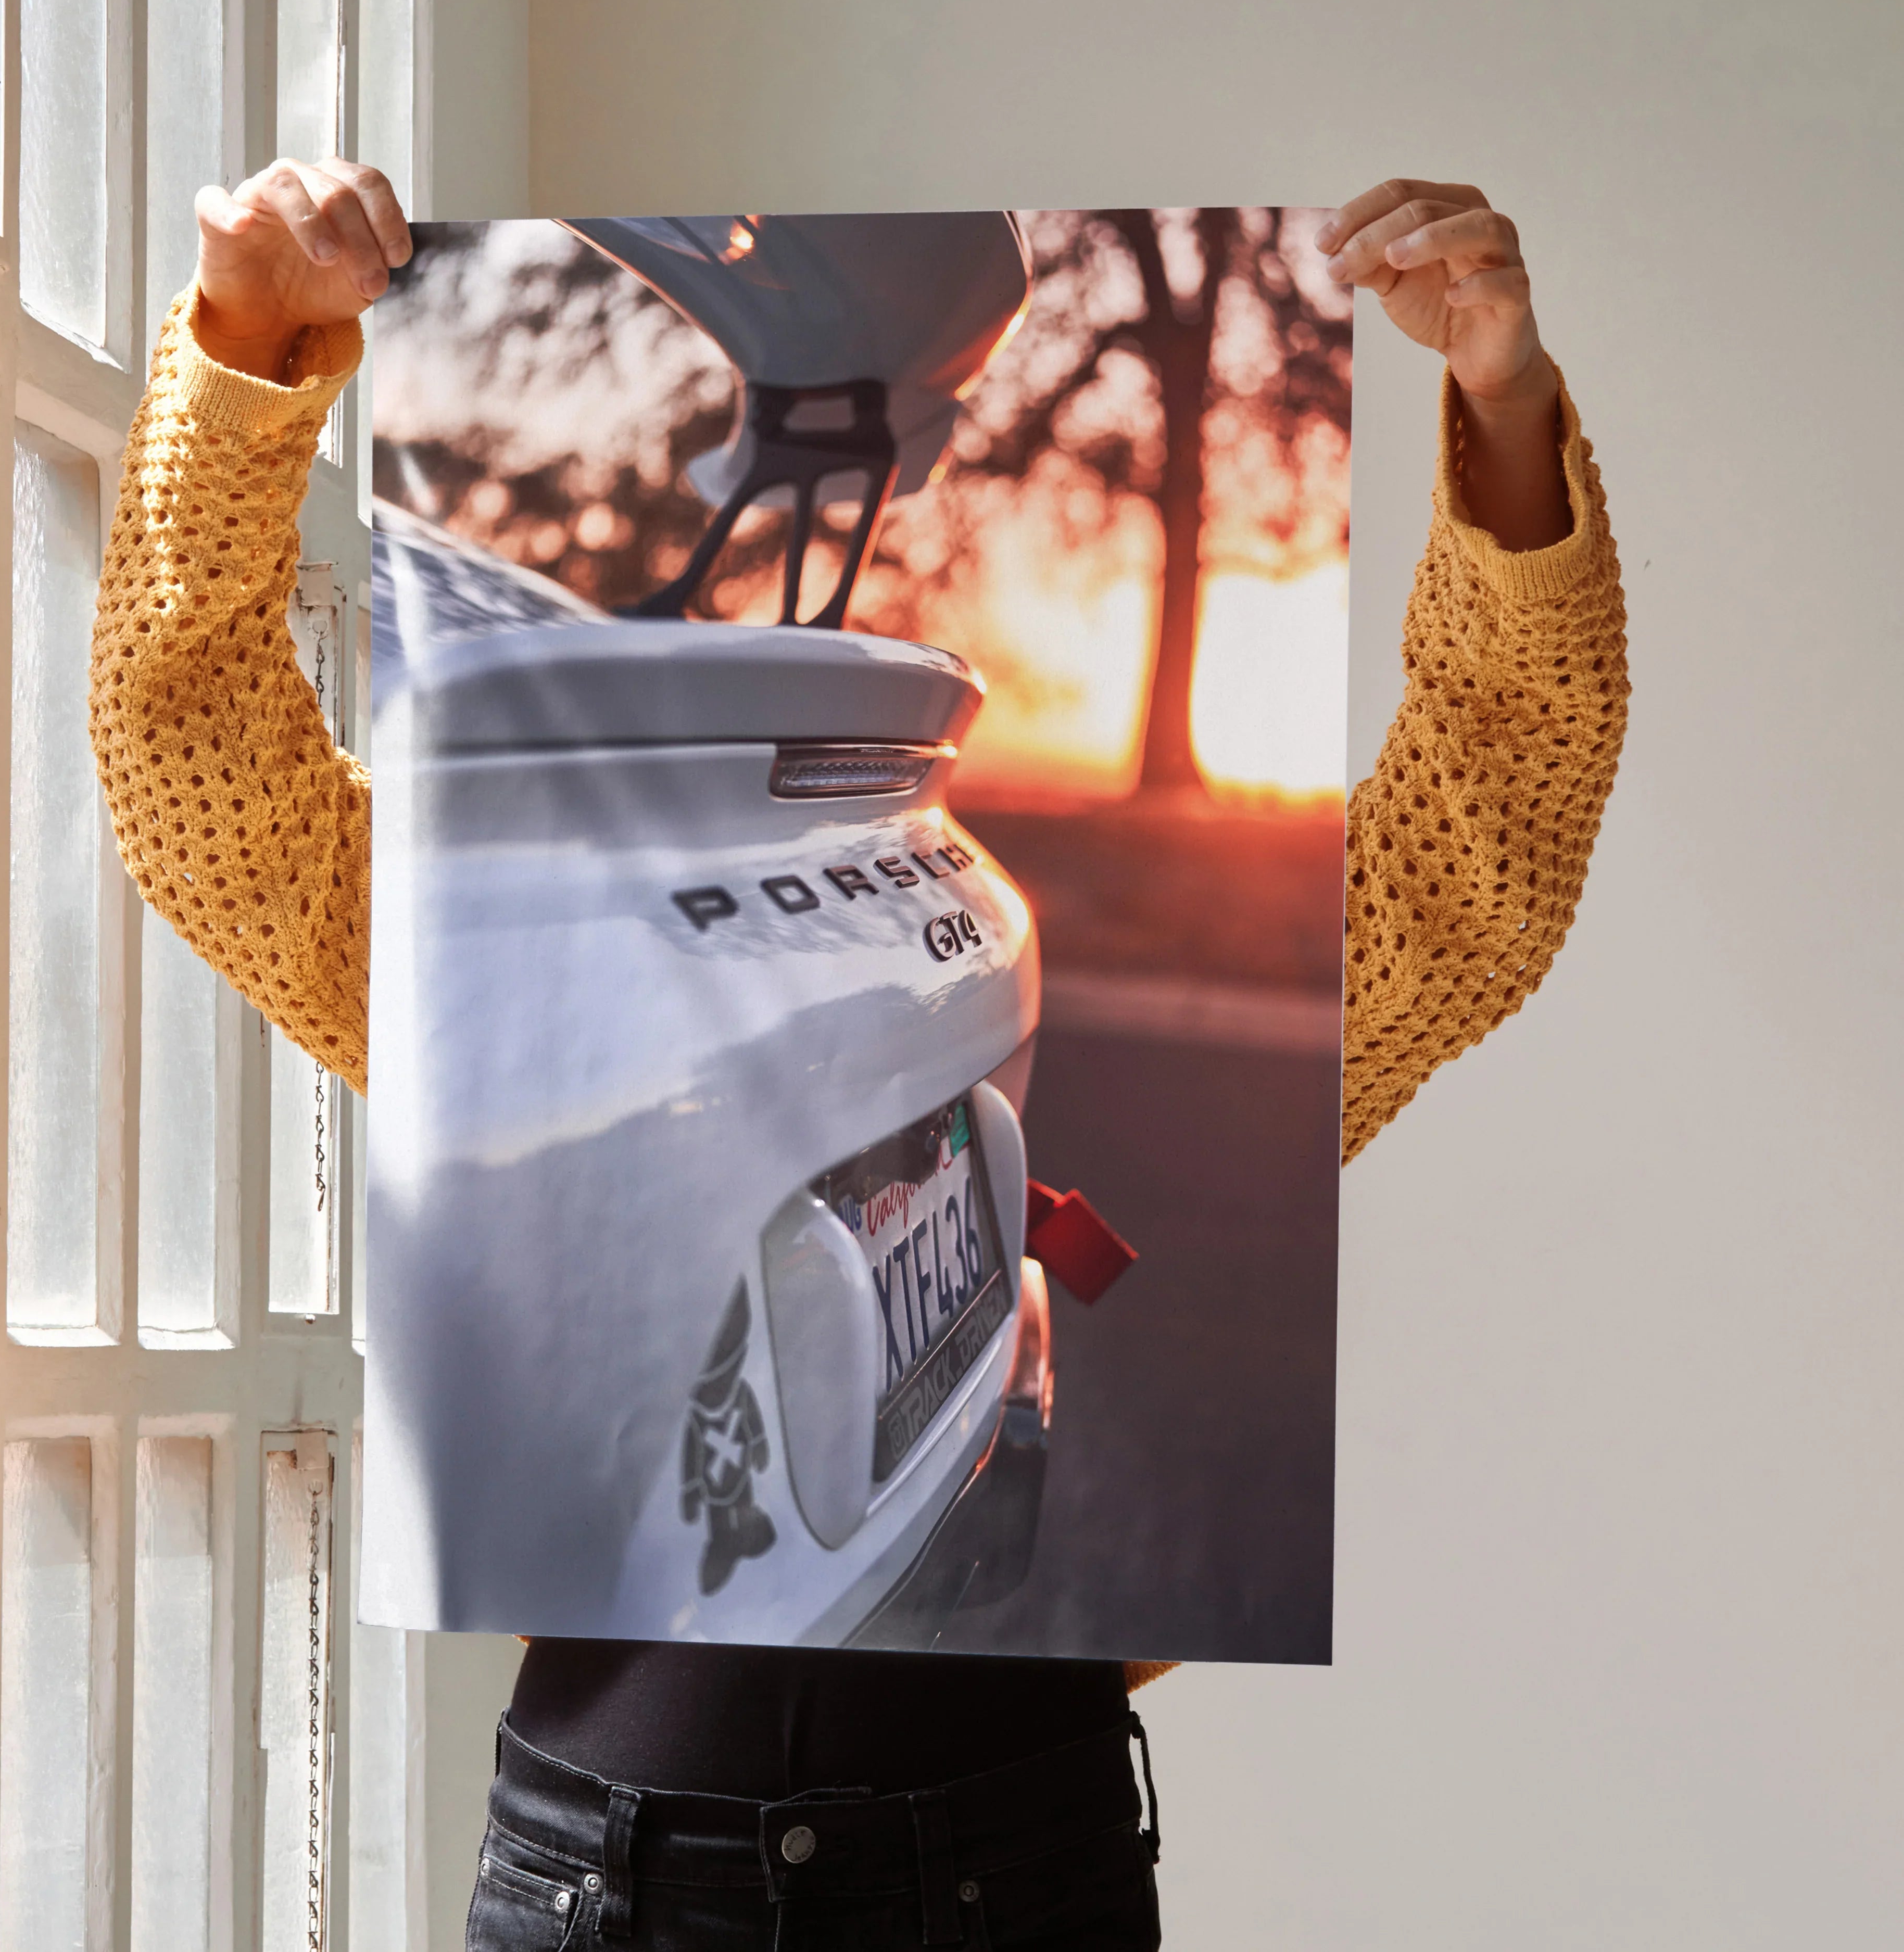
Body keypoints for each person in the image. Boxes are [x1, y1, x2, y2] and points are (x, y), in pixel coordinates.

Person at [90, 161, 1627, 1949]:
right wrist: (245, 349)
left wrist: (1503, 407)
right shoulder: (533, 940)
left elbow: (1479, 856)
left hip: (992, 1863)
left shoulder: (684, 920)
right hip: (627, 1881)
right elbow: (197, 775)